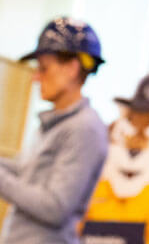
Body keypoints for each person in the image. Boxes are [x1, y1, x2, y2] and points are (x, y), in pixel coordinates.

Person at [0, 18, 108, 244]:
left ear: (71, 68)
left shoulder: (84, 129)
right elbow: (25, 171)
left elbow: (55, 207)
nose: (35, 77)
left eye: (43, 68)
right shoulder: (55, 124)